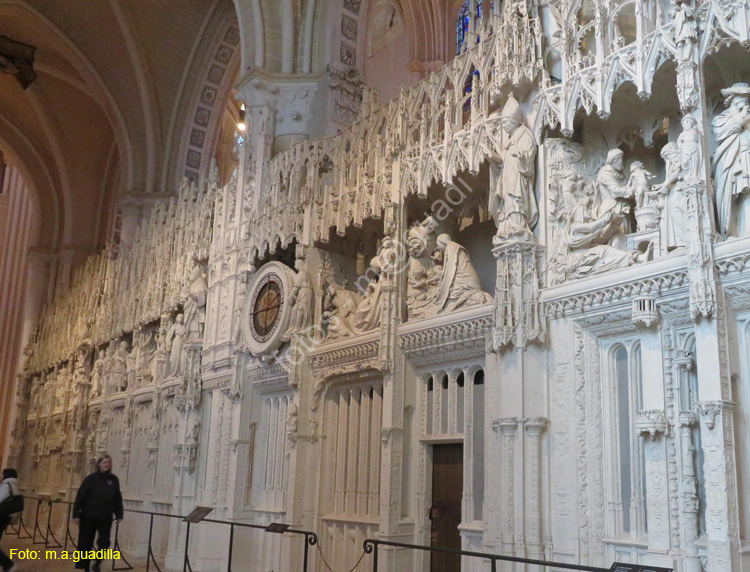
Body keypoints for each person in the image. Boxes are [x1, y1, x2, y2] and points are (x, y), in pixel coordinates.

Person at [72, 454, 123, 572]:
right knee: (85, 543)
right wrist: (76, 514)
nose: (107, 465)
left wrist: (119, 514)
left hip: (105, 516)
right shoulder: (90, 479)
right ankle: (85, 567)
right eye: (104, 462)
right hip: (88, 516)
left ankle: (97, 563)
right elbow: (80, 497)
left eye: (108, 463)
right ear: (99, 464)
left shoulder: (114, 479)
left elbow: (117, 498)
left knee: (105, 542)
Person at [0, 468, 20, 572]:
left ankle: (8, 565)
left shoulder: (6, 487)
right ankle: (8, 565)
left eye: (1, 474)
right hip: (6, 517)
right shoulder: (14, 486)